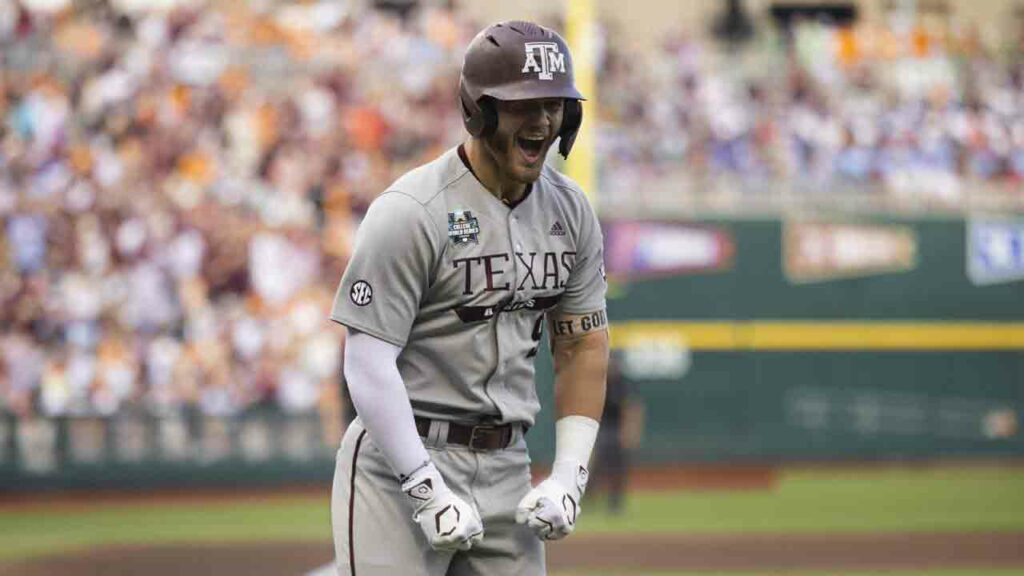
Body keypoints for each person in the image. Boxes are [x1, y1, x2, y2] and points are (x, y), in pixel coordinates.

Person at [328, 20, 609, 576]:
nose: (543, 120)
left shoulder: (571, 211)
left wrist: (569, 475)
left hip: (508, 463)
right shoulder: (410, 210)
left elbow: (583, 346)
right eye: (524, 105)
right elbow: (366, 360)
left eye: (553, 104)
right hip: (400, 460)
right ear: (479, 110)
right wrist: (424, 486)